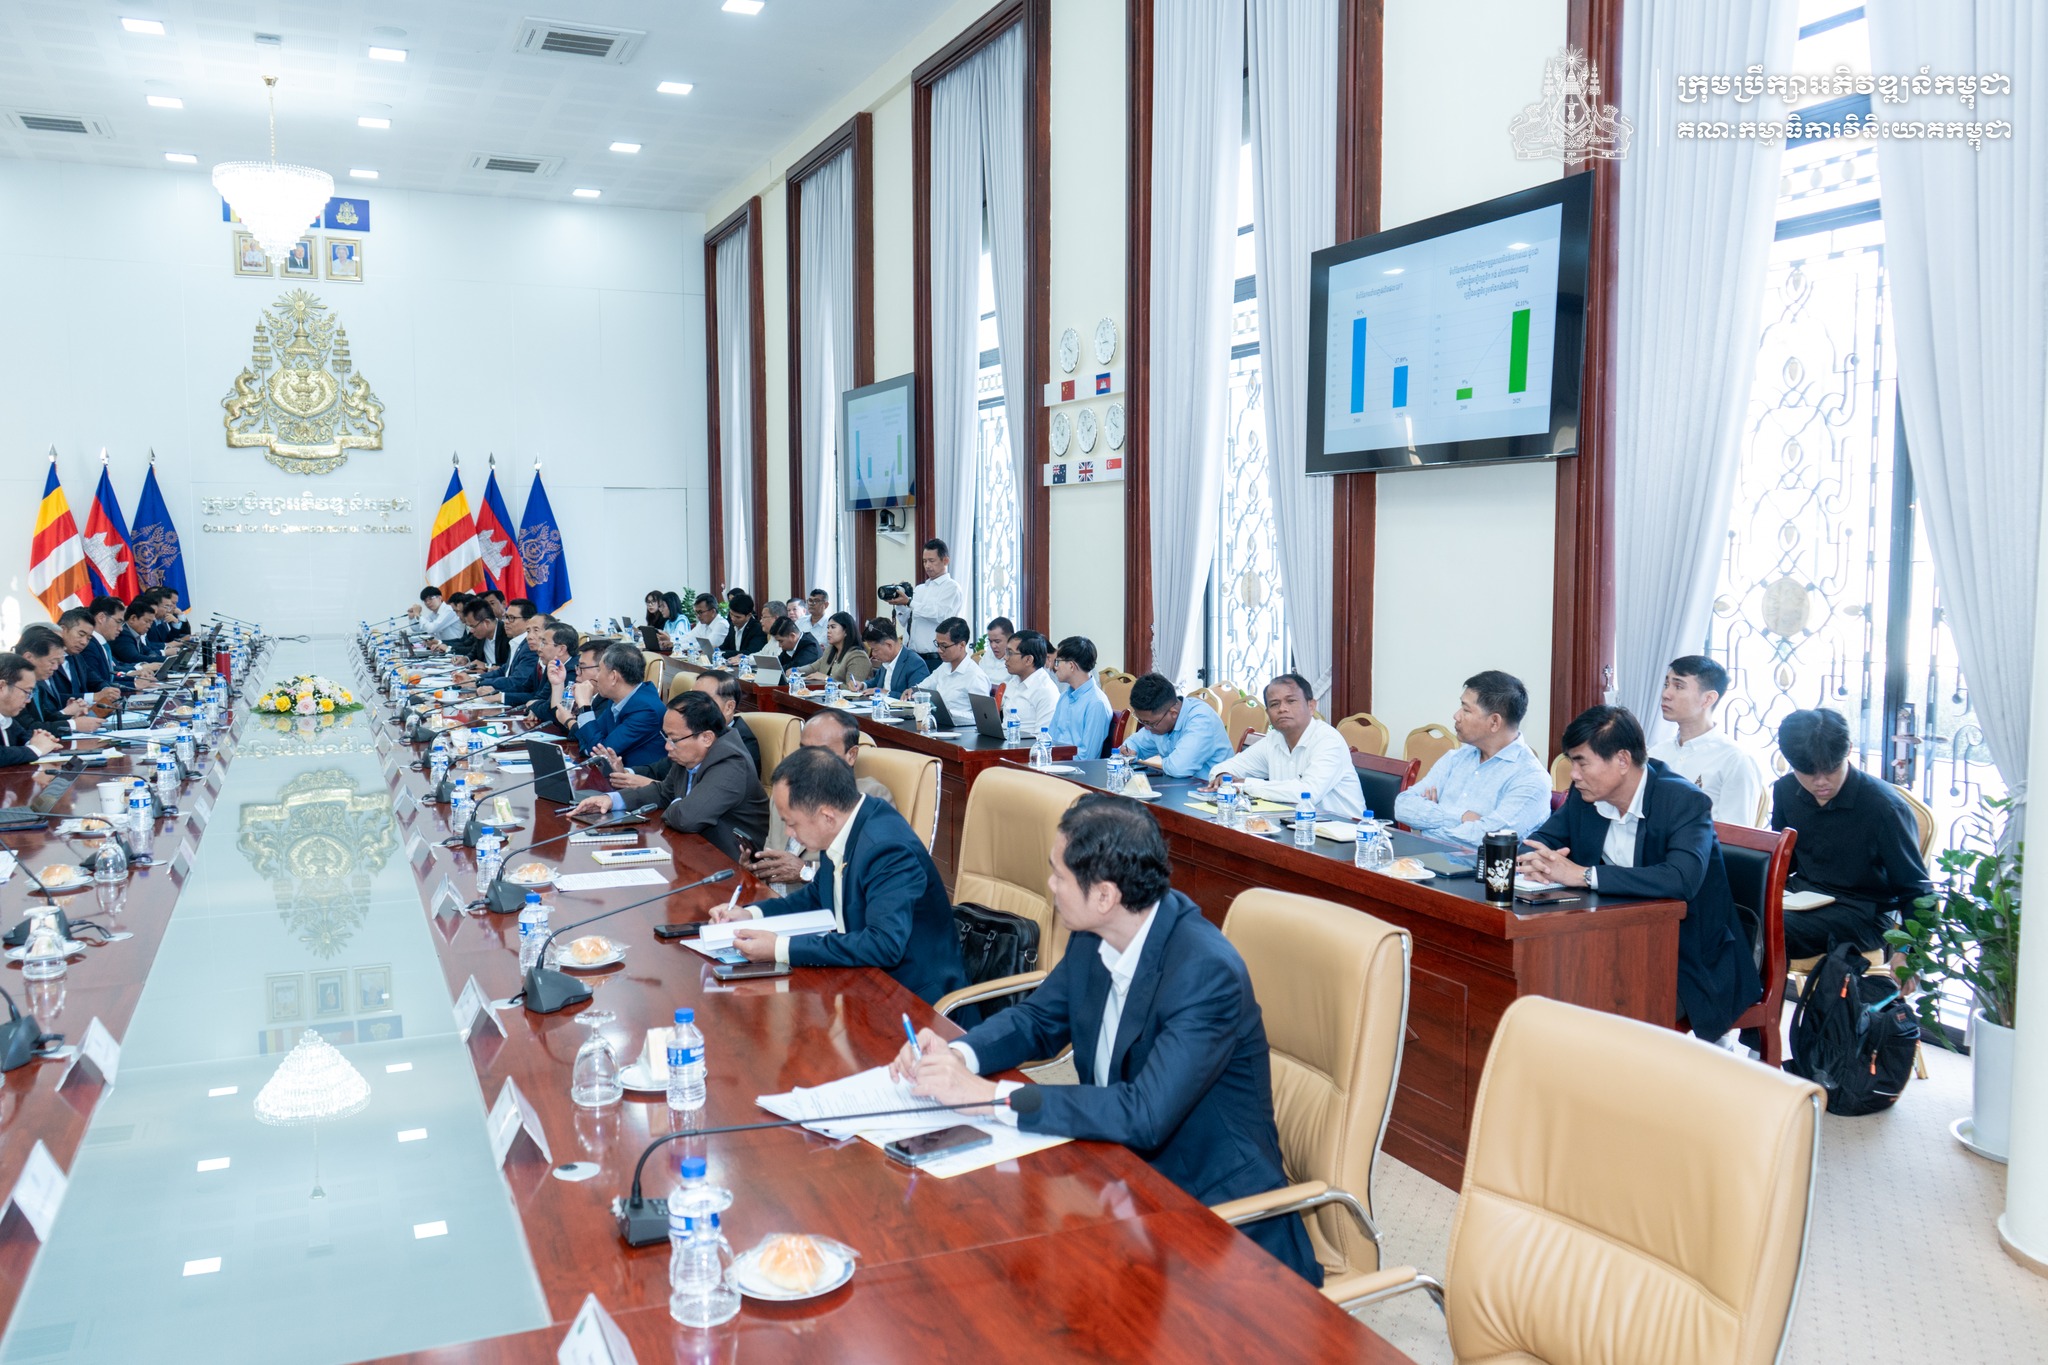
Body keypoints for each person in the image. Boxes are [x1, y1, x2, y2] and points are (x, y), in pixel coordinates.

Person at [891, 794, 1320, 1286]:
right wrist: (958, 1054)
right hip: (1120, 1182)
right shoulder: (1095, 934)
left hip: (1218, 1226)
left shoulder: (1205, 973)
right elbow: (1037, 1020)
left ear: (1104, 896)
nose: (1050, 886)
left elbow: (1145, 1114)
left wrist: (989, 1097)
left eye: (1058, 875)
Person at [1519, 705, 1762, 1041]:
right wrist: (1537, 861)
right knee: (1540, 983)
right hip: (1609, 939)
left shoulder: (1684, 801)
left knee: (1594, 1005)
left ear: (1622, 760)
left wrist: (1584, 875)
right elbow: (1540, 841)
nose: (1573, 774)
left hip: (1685, 956)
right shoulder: (1584, 797)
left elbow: (1681, 879)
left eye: (1581, 762)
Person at [714, 745, 972, 1010]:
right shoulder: (843, 825)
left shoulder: (888, 849)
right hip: (862, 985)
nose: (789, 833)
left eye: (791, 823)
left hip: (916, 1003)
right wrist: (752, 915)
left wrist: (782, 948)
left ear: (826, 816)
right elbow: (817, 896)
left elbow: (884, 944)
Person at [1770, 708, 1932, 959]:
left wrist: (1908, 951)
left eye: (1830, 769)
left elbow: (1918, 891)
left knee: (1768, 928)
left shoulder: (1884, 807)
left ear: (1849, 750)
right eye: (1809, 772)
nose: (1820, 782)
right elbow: (1783, 862)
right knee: (1732, 914)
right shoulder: (1786, 790)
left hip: (1863, 913)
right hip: (1801, 898)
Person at [570, 691, 768, 863]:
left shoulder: (731, 763)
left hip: (729, 866)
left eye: (674, 740)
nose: (667, 746)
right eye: (666, 737)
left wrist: (677, 803)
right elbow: (664, 791)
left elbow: (687, 818)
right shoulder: (690, 755)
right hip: (691, 852)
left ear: (706, 738)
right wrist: (612, 800)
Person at [746, 709, 897, 894]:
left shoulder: (869, 797)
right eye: (803, 749)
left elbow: (868, 872)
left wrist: (806, 871)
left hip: (820, 905)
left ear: (851, 755)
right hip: (770, 900)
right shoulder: (785, 793)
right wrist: (754, 868)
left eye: (820, 752)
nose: (806, 761)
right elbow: (771, 857)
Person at [1393, 670, 1553, 843]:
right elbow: (1403, 806)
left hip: (1474, 860)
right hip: (1425, 855)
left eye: (1466, 710)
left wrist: (1428, 821)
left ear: (1494, 722)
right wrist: (1461, 817)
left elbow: (1487, 839)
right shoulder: (1456, 758)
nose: (1456, 716)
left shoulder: (1531, 778)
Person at [1205, 674, 1363, 820]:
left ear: (1311, 706)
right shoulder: (1273, 739)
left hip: (1345, 832)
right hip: (1293, 825)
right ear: (1268, 713)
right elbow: (1226, 768)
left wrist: (1245, 784)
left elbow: (1308, 793)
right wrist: (1223, 777)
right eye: (1274, 704)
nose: (1282, 709)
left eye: (1291, 701)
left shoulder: (1328, 740)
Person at [1649, 655, 1764, 828]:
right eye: (1666, 685)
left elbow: (1737, 836)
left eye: (1678, 686)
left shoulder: (1735, 760)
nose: (1666, 694)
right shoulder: (1655, 754)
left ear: (1708, 699)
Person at [570, 641, 667, 770]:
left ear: (614, 677)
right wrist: (591, 746)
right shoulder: (616, 699)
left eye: (600, 670)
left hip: (637, 778)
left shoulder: (646, 711)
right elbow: (588, 741)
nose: (597, 677)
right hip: (611, 773)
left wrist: (584, 706)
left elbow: (601, 754)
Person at [1119, 673, 1234, 779]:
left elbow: (1178, 768)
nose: (1147, 728)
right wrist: (1128, 752)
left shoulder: (1201, 720)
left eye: (1150, 723)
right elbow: (1134, 744)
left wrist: (1167, 761)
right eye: (1142, 722)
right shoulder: (1160, 722)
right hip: (1182, 787)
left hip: (1213, 790)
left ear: (1173, 713)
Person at [885, 539, 968, 669]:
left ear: (945, 561)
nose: (927, 565)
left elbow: (940, 615)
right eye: (924, 561)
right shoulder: (920, 589)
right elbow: (906, 622)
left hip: (934, 658)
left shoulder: (952, 587)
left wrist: (909, 602)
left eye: (931, 561)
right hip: (911, 656)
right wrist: (900, 604)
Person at [15, 626, 96, 736]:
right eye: (52, 662)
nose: (55, 668)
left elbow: (46, 717)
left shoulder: (37, 685)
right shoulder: (13, 685)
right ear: (29, 657)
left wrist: (73, 718)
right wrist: (72, 725)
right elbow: (28, 727)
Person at [1048, 636, 1113, 759]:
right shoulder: (1064, 697)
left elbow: (1087, 756)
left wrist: (1056, 759)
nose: (1055, 667)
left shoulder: (1096, 703)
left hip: (1076, 768)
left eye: (1058, 662)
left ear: (1071, 665)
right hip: (1055, 762)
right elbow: (1050, 738)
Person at [923, 616, 992, 725]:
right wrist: (912, 691)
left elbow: (983, 718)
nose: (939, 650)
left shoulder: (975, 676)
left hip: (963, 731)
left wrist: (951, 713)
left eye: (944, 646)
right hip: (941, 726)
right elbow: (924, 687)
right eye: (937, 644)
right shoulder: (945, 666)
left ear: (962, 645)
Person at [690, 670, 761, 773]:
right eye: (692, 698)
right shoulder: (691, 728)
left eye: (703, 700)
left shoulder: (743, 745)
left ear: (729, 707)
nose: (692, 706)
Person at [0, 652, 59, 767]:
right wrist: (35, 749)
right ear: (2, 687)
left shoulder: (6, 716)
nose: (28, 700)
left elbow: (22, 735)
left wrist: (41, 739)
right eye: (27, 692)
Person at [475, 607, 544, 704]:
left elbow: (522, 685)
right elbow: (523, 687)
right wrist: (479, 681)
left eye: (512, 618)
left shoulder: (531, 650)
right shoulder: (520, 644)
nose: (506, 622)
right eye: (528, 631)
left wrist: (499, 696)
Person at [56, 608, 118, 709]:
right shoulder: (46, 660)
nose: (84, 642)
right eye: (81, 635)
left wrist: (107, 691)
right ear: (62, 630)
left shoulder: (77, 657)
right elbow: (51, 698)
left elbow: (95, 681)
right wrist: (94, 697)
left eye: (88, 638)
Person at [547, 636, 610, 731]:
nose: (577, 672)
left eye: (582, 667)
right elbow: (560, 722)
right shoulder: (586, 692)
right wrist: (557, 685)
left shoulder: (609, 700)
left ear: (602, 669)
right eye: (578, 667)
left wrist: (569, 720)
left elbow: (586, 734)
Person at [1002, 630, 1059, 734]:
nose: (1005, 657)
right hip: (1005, 740)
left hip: (1024, 744)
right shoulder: (1013, 681)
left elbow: (1043, 737)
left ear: (1028, 660)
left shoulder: (1046, 691)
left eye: (1010, 653)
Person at [795, 611, 872, 686]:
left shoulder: (858, 656)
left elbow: (853, 689)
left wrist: (826, 679)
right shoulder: (830, 649)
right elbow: (813, 667)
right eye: (828, 627)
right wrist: (795, 671)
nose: (828, 631)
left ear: (846, 631)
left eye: (833, 627)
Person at [859, 617, 930, 698]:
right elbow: (876, 682)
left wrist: (885, 692)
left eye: (875, 650)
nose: (873, 654)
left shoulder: (915, 663)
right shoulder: (886, 659)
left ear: (889, 645)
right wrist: (862, 685)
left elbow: (915, 697)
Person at [527, 620, 581, 724]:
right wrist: (536, 705)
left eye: (544, 643)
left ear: (561, 649)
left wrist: (533, 707)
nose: (539, 648)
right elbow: (539, 697)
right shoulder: (553, 665)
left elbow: (553, 710)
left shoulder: (573, 671)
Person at [448, 599, 509, 671]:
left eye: (473, 626)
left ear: (486, 623)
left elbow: (510, 666)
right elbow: (474, 652)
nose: (471, 630)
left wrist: (487, 666)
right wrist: (466, 659)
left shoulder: (507, 634)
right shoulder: (481, 634)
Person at [109, 599, 163, 665]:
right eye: (147, 621)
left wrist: (153, 657)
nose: (149, 626)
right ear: (133, 618)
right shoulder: (122, 634)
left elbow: (148, 651)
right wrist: (166, 660)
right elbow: (135, 658)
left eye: (151, 623)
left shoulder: (135, 633)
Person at [721, 590, 769, 661]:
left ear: (749, 615)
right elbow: (725, 646)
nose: (733, 619)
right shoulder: (732, 625)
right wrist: (716, 650)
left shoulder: (758, 629)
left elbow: (750, 652)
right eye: (731, 614)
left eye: (738, 617)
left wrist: (724, 653)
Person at [977, 616, 1016, 687]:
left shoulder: (1017, 659)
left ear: (1010, 639)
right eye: (990, 641)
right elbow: (978, 679)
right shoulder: (988, 654)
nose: (993, 646)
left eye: (997, 641)